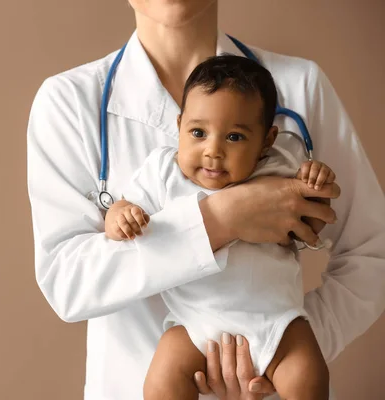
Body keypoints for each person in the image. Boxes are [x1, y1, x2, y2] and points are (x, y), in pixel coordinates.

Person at [26, 1, 385, 399]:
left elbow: (372, 252)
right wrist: (221, 218)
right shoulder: (67, 103)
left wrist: (274, 351)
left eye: (234, 137)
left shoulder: (301, 85)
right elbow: (68, 283)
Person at [104, 54, 333, 400]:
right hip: (197, 323)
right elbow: (123, 211)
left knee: (309, 375)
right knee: (163, 379)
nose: (212, 151)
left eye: (235, 137)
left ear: (267, 141)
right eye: (198, 132)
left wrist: (316, 184)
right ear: (179, 125)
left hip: (277, 322)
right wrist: (119, 214)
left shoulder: (279, 167)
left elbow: (313, 223)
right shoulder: (163, 173)